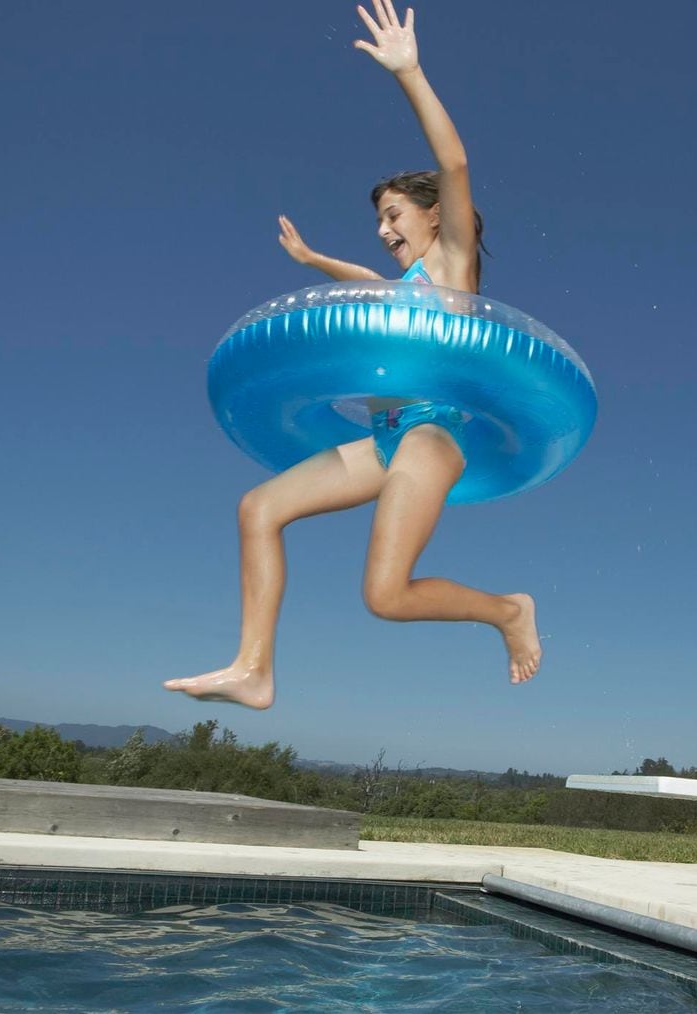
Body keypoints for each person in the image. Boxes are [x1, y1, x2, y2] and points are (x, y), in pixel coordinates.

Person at [164, 0, 540, 709]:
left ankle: (508, 610)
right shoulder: (403, 284)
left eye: (393, 215)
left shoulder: (454, 263)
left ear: (433, 215)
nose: (383, 229)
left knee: (385, 595)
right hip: (384, 437)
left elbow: (454, 162)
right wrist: (311, 258)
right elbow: (371, 285)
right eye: (378, 221)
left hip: (433, 434)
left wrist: (410, 72)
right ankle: (253, 667)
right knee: (258, 508)